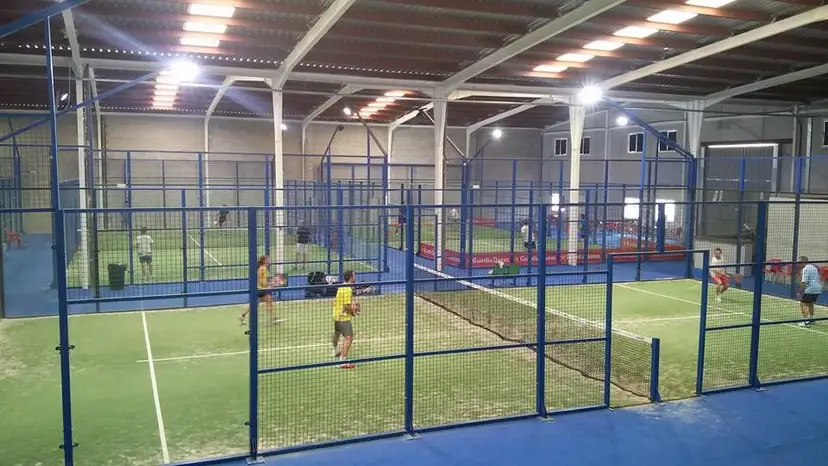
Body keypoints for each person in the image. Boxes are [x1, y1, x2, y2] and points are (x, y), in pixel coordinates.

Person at [332, 270, 359, 369]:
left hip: (336, 316)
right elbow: (346, 306)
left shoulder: (342, 286)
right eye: (354, 276)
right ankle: (342, 362)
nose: (355, 278)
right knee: (349, 338)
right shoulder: (348, 289)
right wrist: (353, 311)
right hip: (343, 318)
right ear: (351, 277)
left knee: (337, 333)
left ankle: (335, 351)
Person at [239, 255, 275, 325]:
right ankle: (272, 319)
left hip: (257, 288)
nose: (270, 261)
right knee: (269, 300)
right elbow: (262, 280)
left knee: (255, 304)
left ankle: (242, 316)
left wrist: (269, 283)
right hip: (260, 289)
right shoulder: (264, 268)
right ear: (264, 261)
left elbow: (262, 279)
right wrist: (268, 286)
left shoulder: (261, 268)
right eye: (268, 260)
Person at [798, 256, 821, 327]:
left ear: (803, 262)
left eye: (799, 262)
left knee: (803, 304)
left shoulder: (805, 269)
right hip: (818, 288)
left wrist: (800, 292)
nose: (798, 264)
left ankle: (806, 322)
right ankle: (812, 319)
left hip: (811, 289)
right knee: (810, 303)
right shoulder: (813, 267)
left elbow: (804, 282)